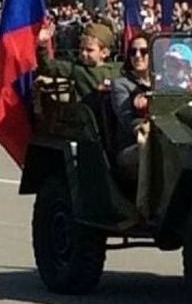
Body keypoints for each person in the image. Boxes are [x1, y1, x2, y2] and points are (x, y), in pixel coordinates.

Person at [35, 20, 118, 99]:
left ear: (104, 53)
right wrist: (42, 46)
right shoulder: (77, 68)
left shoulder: (117, 70)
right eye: (82, 49)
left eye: (89, 50)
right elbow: (47, 66)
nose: (84, 53)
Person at [111, 35, 152, 183]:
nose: (138, 56)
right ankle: (144, 204)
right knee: (151, 152)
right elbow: (127, 119)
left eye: (143, 51)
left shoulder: (162, 81)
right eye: (133, 52)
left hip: (164, 137)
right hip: (132, 143)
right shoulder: (121, 85)